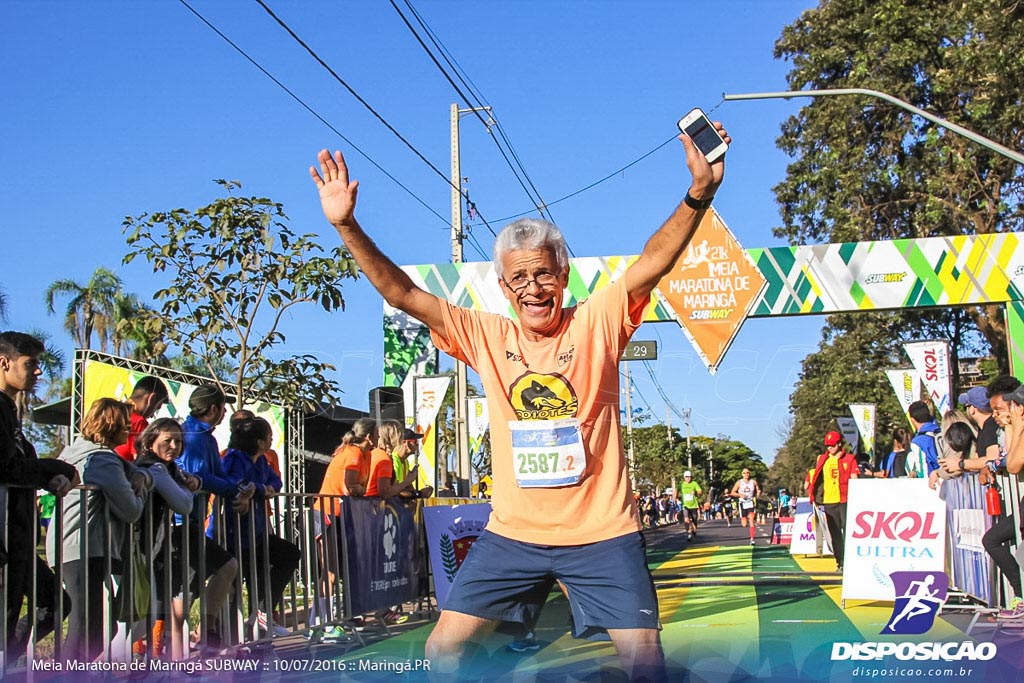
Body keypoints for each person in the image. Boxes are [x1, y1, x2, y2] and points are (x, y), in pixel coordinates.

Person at [311, 115, 728, 679]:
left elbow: (654, 261)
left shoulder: (598, 320)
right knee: (442, 651)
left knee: (644, 660)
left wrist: (698, 193)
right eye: (520, 279)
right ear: (504, 288)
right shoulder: (487, 334)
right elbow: (401, 292)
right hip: (513, 535)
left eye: (544, 275)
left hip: (602, 534)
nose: (534, 288)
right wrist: (347, 226)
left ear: (563, 275)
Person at [46, 398, 153, 662]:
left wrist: (142, 476)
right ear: (112, 427)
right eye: (125, 426)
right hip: (84, 549)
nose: (128, 431)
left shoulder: (75, 451)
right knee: (86, 629)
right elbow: (131, 510)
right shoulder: (102, 460)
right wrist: (142, 491)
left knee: (94, 626)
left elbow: (131, 470)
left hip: (68, 546)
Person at [0, 332, 79, 654]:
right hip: (4, 537)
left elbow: (18, 465)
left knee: (54, 603)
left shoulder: (10, 410)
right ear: (4, 363)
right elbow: (4, 467)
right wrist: (53, 469)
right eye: (30, 364)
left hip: (19, 536)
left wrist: (51, 476)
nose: (38, 372)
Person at [175, 385, 243, 649]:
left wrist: (239, 489)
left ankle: (199, 636)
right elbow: (197, 477)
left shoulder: (208, 438)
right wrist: (231, 488)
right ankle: (201, 635)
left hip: (193, 521)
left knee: (188, 587)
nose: (225, 413)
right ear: (213, 409)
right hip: (179, 522)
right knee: (225, 567)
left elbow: (216, 477)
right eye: (223, 408)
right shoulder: (190, 436)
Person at [221, 417, 300, 638]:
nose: (271, 441)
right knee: (234, 587)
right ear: (259, 441)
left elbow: (276, 482)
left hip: (257, 532)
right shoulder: (234, 458)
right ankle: (231, 640)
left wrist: (261, 489)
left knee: (290, 554)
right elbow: (233, 483)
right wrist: (258, 489)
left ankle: (263, 612)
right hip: (233, 534)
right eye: (269, 438)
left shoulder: (262, 461)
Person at [132, 418, 201, 660]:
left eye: (178, 441)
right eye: (167, 440)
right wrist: (188, 489)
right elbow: (184, 504)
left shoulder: (169, 468)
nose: (173, 446)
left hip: (152, 546)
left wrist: (195, 481)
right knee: (135, 618)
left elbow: (186, 479)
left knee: (148, 610)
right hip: (137, 547)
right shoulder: (156, 468)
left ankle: (147, 660)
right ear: (150, 442)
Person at [811, 430, 859, 572]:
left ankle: (851, 561)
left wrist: (855, 496)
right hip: (829, 501)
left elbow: (854, 477)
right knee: (835, 533)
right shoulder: (823, 459)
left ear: (839, 444)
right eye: (828, 446)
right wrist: (815, 497)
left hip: (845, 500)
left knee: (848, 531)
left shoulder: (849, 459)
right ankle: (840, 562)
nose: (830, 448)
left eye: (832, 445)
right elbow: (817, 479)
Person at [114, 375, 169, 463]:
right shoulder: (140, 422)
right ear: (151, 399)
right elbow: (140, 462)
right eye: (155, 409)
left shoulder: (112, 412)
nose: (152, 416)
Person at [366, 419, 418, 499]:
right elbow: (384, 493)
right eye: (401, 436)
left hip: (368, 504)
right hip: (374, 506)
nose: (401, 440)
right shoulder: (384, 460)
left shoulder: (375, 453)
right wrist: (407, 481)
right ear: (394, 437)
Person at [907, 400, 941, 486]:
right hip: (948, 478)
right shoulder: (941, 431)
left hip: (933, 483)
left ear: (912, 420)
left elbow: (923, 472)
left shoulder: (918, 442)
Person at [730, 468, 761, 545]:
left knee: (751, 519)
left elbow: (758, 489)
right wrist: (740, 495)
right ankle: (745, 518)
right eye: (744, 473)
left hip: (750, 502)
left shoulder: (753, 482)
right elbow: (732, 492)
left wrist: (758, 494)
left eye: (747, 473)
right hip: (742, 503)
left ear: (749, 473)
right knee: (744, 524)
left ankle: (752, 539)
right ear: (742, 474)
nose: (746, 474)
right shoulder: (739, 483)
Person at [677, 471, 702, 540]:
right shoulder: (681, 484)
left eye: (689, 477)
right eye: (686, 477)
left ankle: (694, 531)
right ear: (684, 477)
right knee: (686, 519)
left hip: (694, 505)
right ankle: (688, 533)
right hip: (685, 505)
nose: (688, 478)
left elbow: (700, 491)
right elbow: (676, 490)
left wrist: (696, 492)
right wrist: (675, 498)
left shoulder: (694, 483)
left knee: (694, 520)